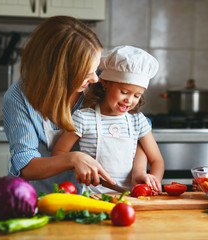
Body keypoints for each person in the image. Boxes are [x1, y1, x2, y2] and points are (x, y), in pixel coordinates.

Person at [2, 16, 118, 194]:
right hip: (37, 198)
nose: (95, 78)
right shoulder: (18, 98)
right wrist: (72, 159)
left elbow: (133, 124)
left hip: (90, 198)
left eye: (95, 70)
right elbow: (26, 166)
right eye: (86, 73)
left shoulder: (99, 84)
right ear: (57, 73)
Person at [52, 45, 165, 194]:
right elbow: (58, 153)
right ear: (105, 83)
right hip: (91, 196)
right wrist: (77, 165)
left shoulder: (138, 121)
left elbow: (157, 160)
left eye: (137, 96)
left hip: (131, 198)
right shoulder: (83, 118)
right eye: (124, 92)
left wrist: (151, 180)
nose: (129, 100)